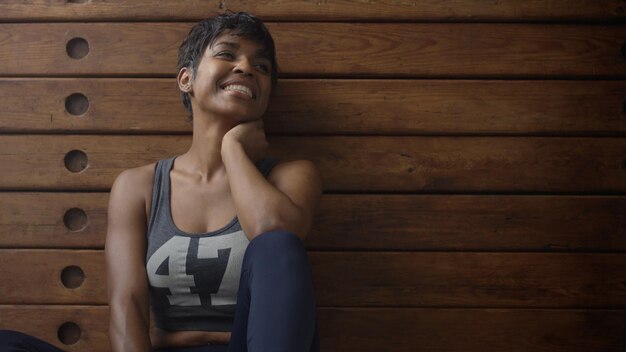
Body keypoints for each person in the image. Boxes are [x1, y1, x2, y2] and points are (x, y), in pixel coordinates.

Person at [0, 11, 322, 352]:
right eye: (227, 54)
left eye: (262, 67)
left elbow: (273, 233)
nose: (246, 68)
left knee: (277, 245)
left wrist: (233, 149)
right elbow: (128, 307)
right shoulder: (139, 188)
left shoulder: (291, 176)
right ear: (186, 79)